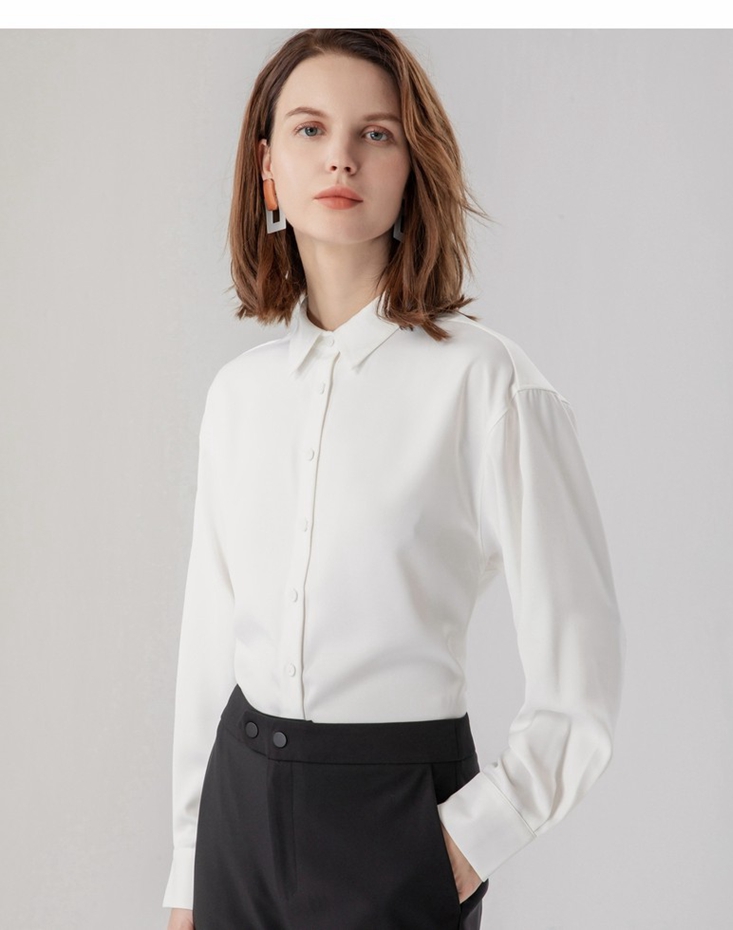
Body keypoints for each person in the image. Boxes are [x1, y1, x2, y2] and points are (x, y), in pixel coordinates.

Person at [162, 28, 626, 930]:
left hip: (397, 818)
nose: (340, 156)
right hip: (236, 814)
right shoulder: (238, 396)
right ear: (267, 170)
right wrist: (187, 872)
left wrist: (461, 846)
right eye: (309, 129)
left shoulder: (489, 386)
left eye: (375, 133)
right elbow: (209, 645)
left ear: (414, 167)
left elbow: (583, 680)